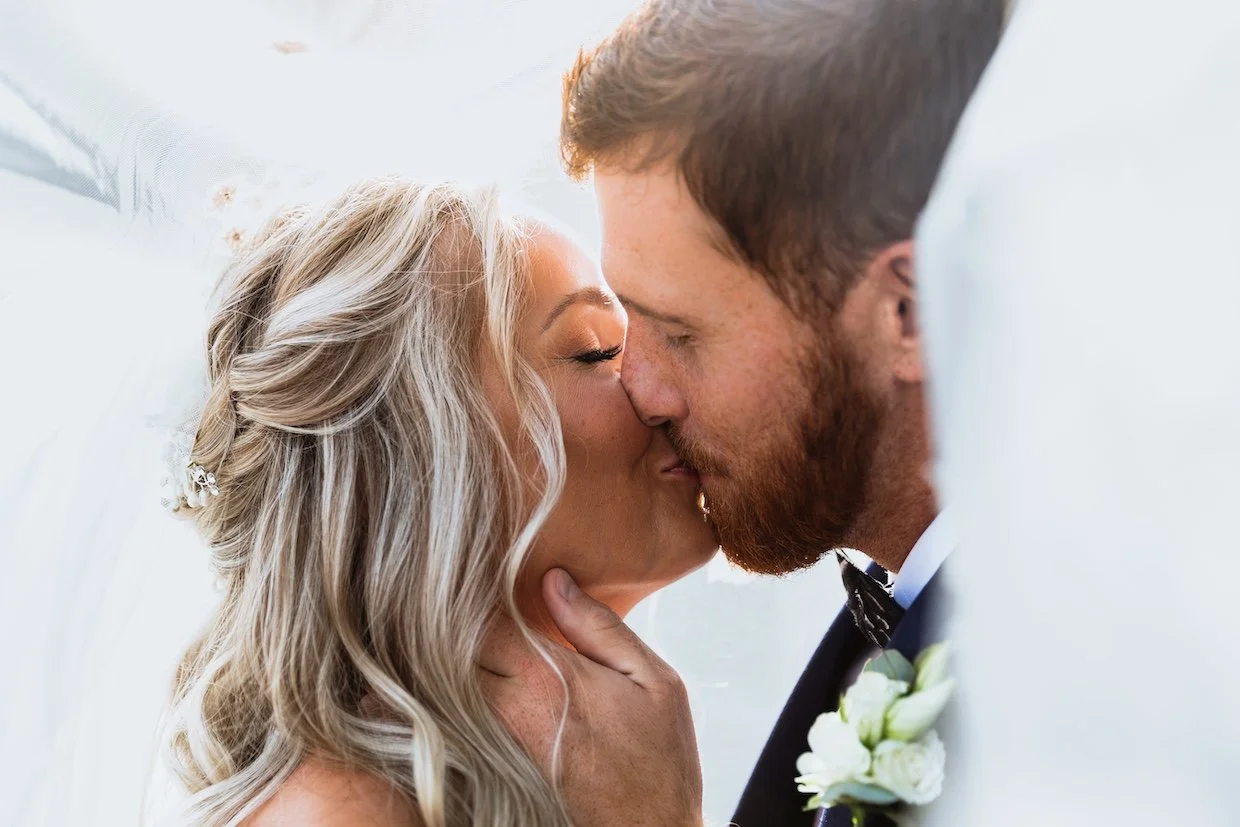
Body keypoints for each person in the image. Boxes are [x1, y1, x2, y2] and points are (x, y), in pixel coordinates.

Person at [483, 1, 1005, 824]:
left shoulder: (1065, 675)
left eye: (680, 332)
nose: (641, 390)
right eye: (620, 331)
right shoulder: (899, 618)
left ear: (911, 315)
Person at [159, 178, 717, 826]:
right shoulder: (345, 811)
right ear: (422, 459)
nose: (656, 389)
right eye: (596, 352)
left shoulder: (532, 770)